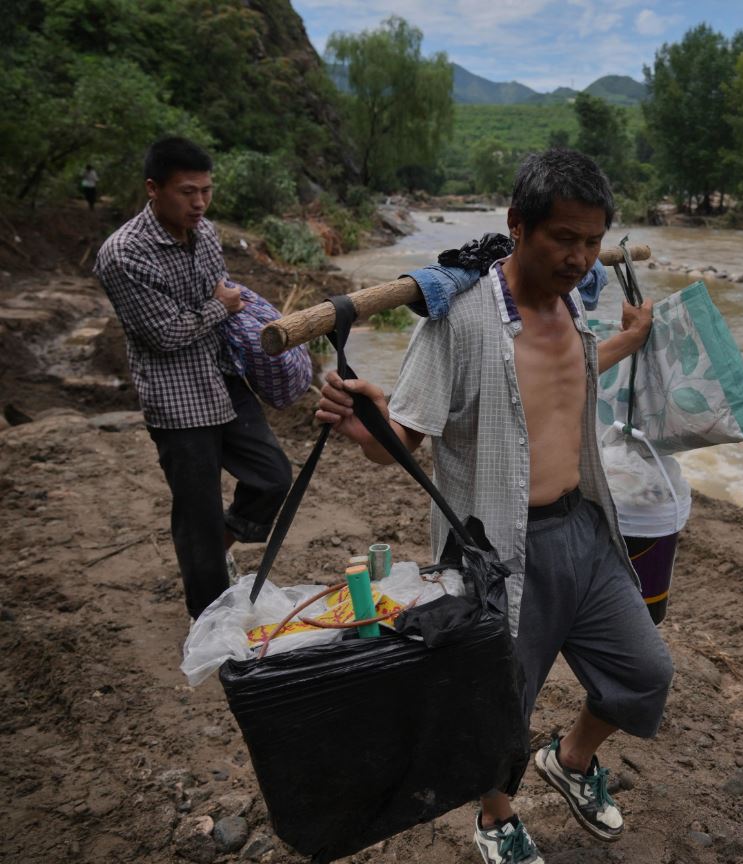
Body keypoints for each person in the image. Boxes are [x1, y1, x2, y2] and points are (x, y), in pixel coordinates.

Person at [317, 149, 674, 864]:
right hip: (499, 549)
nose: (580, 257)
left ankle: (569, 762)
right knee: (497, 705)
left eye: (592, 240)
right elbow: (401, 440)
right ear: (517, 226)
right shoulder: (459, 320)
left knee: (644, 674)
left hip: (584, 527)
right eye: (564, 239)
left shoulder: (576, 299)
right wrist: (368, 425)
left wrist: (629, 342)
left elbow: (565, 374)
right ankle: (496, 817)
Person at [94, 137, 292, 621]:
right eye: (187, 191)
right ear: (153, 189)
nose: (199, 202)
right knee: (197, 511)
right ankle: (209, 618)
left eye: (206, 190)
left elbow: (220, 291)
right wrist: (218, 307)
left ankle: (215, 548)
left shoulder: (205, 233)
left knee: (272, 476)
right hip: (177, 399)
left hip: (223, 380)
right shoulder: (123, 254)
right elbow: (163, 334)